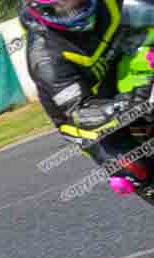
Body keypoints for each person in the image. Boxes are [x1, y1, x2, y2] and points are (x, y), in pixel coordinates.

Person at [21, 0, 154, 195]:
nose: (76, 11)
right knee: (131, 171)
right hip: (83, 115)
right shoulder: (44, 58)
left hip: (121, 73)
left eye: (78, 1)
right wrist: (132, 103)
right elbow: (79, 112)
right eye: (62, 9)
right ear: (42, 10)